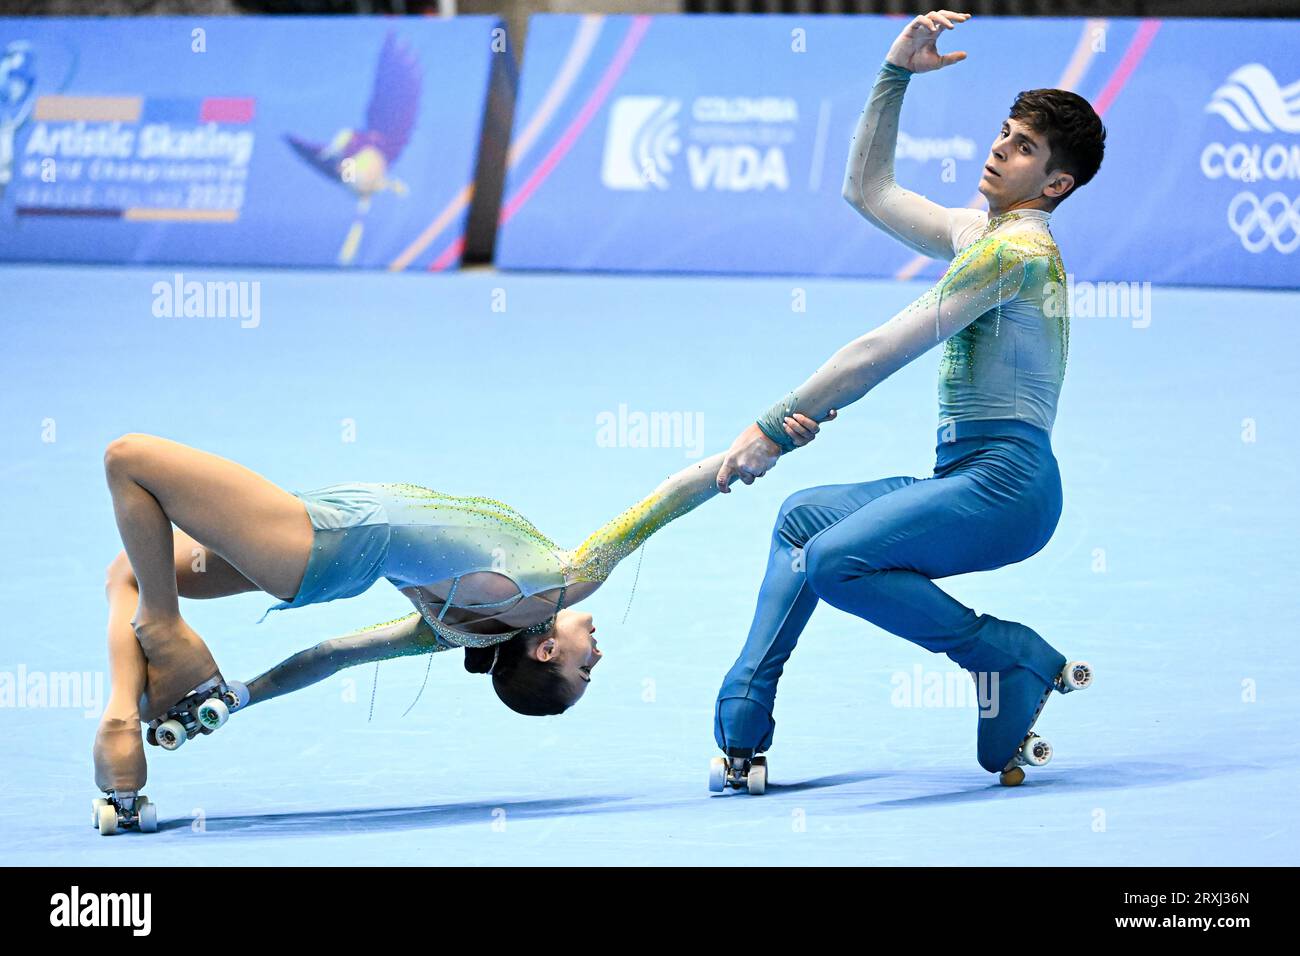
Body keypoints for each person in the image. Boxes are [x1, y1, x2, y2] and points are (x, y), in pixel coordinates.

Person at [710, 10, 1104, 790]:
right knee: (804, 522)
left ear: (1055, 184)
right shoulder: (981, 238)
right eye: (1004, 132)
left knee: (834, 560)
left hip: (1008, 489)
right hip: (961, 478)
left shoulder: (1017, 255)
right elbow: (868, 188)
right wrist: (893, 75)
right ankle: (743, 724)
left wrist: (772, 428)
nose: (999, 148)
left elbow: (885, 347)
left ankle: (1004, 654)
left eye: (1024, 146)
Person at [92, 414, 826, 831]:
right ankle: (124, 723)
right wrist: (242, 696)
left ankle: (162, 627)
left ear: (544, 648)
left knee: (129, 460)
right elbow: (333, 656)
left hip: (319, 538)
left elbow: (665, 500)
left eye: (584, 665)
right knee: (129, 568)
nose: (597, 650)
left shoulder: (563, 581)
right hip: (324, 538)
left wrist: (760, 441)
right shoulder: (458, 633)